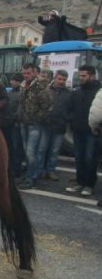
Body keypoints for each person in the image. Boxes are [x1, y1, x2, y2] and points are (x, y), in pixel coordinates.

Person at [65, 65, 101, 196]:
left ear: (92, 76)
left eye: (84, 76)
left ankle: (89, 185)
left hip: (93, 132)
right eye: (80, 75)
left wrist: (98, 126)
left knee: (90, 158)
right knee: (79, 158)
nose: (81, 78)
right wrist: (72, 120)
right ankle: (80, 183)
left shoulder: (99, 92)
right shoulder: (76, 92)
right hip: (78, 130)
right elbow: (68, 109)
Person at [18, 63, 53, 189]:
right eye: (24, 73)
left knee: (31, 151)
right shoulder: (23, 85)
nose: (26, 75)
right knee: (27, 151)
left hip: (35, 124)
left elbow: (47, 107)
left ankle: (31, 177)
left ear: (34, 73)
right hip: (24, 122)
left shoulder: (41, 86)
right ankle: (30, 173)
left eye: (28, 73)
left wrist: (36, 119)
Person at [39, 70, 71, 181]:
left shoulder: (68, 93)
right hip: (46, 125)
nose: (61, 81)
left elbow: (71, 109)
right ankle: (40, 170)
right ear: (55, 78)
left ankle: (50, 171)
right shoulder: (46, 90)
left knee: (54, 151)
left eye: (64, 79)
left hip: (60, 126)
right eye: (59, 79)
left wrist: (66, 118)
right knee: (42, 149)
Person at [1, 72, 25, 177]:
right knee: (10, 147)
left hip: (15, 123)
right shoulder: (10, 93)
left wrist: (14, 119)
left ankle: (16, 169)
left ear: (19, 82)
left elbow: (18, 109)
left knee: (16, 148)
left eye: (14, 80)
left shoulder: (20, 93)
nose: (11, 82)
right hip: (8, 123)